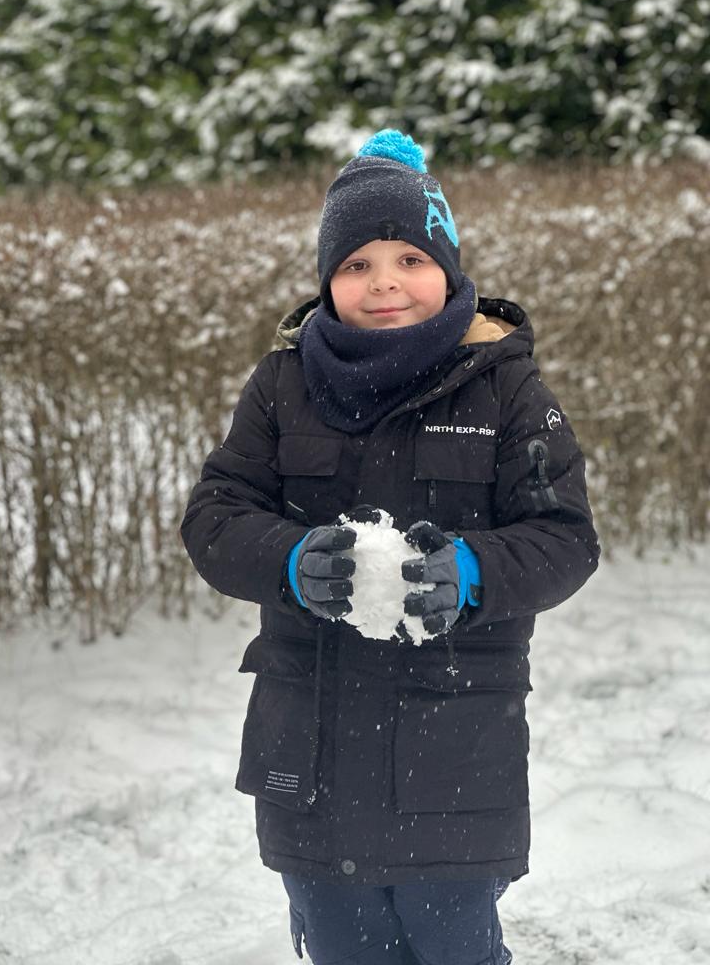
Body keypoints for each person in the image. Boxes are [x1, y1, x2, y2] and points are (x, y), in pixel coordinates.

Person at [181, 130, 599, 965]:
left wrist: (471, 571)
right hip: (310, 748)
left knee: (453, 944)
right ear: (327, 279)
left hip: (455, 748)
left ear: (446, 265)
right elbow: (216, 516)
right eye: (356, 264)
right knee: (343, 944)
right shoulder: (281, 383)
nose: (384, 283)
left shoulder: (507, 387)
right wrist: (292, 560)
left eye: (410, 257)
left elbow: (564, 537)